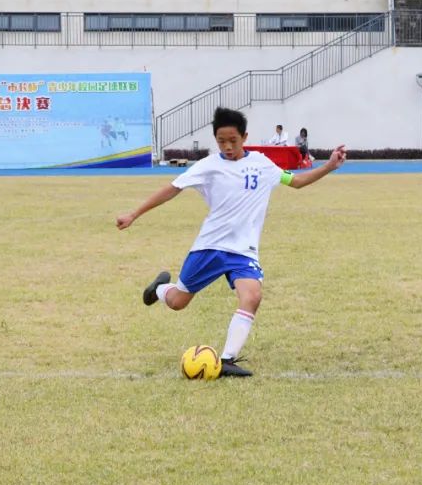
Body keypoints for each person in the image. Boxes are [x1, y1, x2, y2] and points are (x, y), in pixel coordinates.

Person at [116, 107, 347, 377]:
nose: (226, 146)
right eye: (221, 141)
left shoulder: (262, 164)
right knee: (178, 302)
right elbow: (172, 190)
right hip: (210, 246)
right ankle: (158, 290)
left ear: (244, 137)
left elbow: (295, 181)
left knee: (252, 296)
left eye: (232, 141)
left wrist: (329, 166)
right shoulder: (208, 166)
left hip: (243, 250)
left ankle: (226, 359)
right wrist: (134, 213)